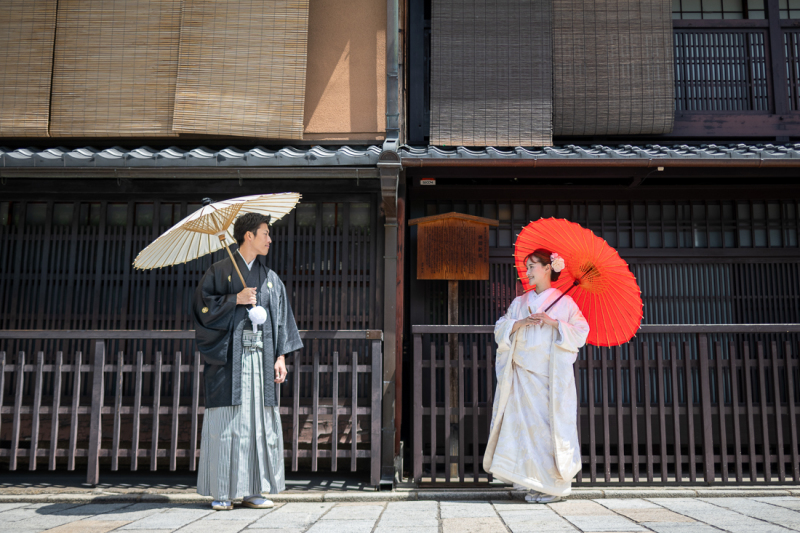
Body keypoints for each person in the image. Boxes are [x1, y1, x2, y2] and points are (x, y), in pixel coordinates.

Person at [193, 212, 303, 510]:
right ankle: (223, 491)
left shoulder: (271, 279)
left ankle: (255, 489)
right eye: (265, 233)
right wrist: (235, 299)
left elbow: (282, 319)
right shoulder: (218, 272)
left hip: (262, 360)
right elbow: (202, 310)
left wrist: (280, 355)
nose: (270, 239)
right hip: (230, 359)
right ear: (248, 236)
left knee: (259, 423)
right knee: (228, 423)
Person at [483, 248, 589, 503]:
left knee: (549, 430)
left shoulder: (565, 303)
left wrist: (554, 323)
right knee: (524, 431)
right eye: (527, 267)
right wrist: (519, 323)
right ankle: (534, 482)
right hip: (522, 376)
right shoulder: (520, 302)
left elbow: (581, 332)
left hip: (548, 378)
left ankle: (554, 487)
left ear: (548, 268)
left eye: (532, 266)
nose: (527, 272)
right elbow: (501, 328)